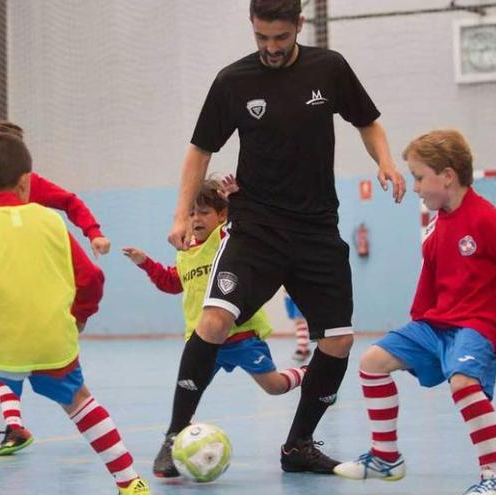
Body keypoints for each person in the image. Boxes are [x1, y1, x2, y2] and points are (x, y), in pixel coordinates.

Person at [165, 0, 406, 473]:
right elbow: (200, 149)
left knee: (337, 340)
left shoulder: (330, 68)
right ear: (252, 29)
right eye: (261, 38)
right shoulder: (233, 81)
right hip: (256, 228)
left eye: (280, 38)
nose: (271, 49)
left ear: (298, 25)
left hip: (317, 229)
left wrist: (386, 161)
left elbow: (367, 121)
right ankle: (173, 437)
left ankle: (298, 445)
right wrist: (179, 215)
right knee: (213, 321)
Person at [333, 129, 496, 494]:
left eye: (420, 177)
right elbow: (430, 279)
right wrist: (416, 323)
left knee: (463, 382)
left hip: (479, 327)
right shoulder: (438, 227)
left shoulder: (487, 220)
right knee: (372, 362)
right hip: (437, 324)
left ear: (448, 176)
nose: (417, 188)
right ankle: (386, 457)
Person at [0, 132, 149, 495]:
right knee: (80, 401)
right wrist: (80, 315)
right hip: (55, 344)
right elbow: (92, 278)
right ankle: (130, 482)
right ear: (26, 181)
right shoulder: (52, 221)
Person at [0, 121, 112, 456]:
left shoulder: (32, 191)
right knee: (20, 363)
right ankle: (128, 479)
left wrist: (93, 232)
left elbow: (71, 203)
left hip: (27, 290)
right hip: (27, 311)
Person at [122, 178, 308, 477]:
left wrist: (237, 195)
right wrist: (145, 263)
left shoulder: (226, 239)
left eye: (203, 212)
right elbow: (173, 283)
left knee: (274, 387)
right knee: (189, 393)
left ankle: (308, 374)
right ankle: (174, 445)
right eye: (192, 213)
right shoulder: (185, 251)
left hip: (241, 334)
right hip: (204, 342)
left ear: (221, 216)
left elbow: (243, 221)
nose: (195, 218)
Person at [284, 293, 311, 362]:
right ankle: (305, 347)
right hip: (288, 294)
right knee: (297, 321)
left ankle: (301, 349)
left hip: (300, 292)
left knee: (300, 320)